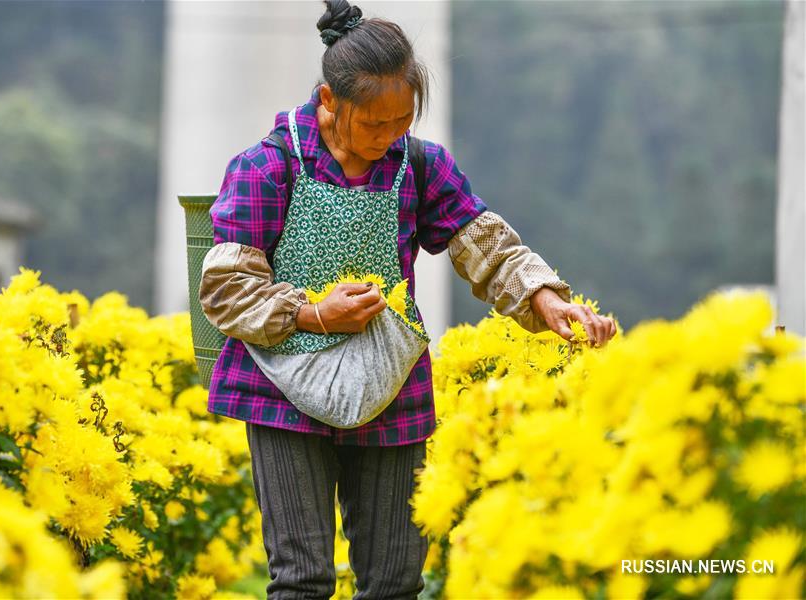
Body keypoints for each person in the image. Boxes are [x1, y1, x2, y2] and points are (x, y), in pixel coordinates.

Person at [198, 1, 617, 597]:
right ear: (327, 102)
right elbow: (226, 288)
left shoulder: (418, 165)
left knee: (395, 581)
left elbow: (483, 243)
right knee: (301, 581)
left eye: (401, 121)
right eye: (373, 123)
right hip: (280, 389)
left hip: (389, 388)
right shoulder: (267, 168)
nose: (389, 136)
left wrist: (547, 301)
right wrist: (313, 314)